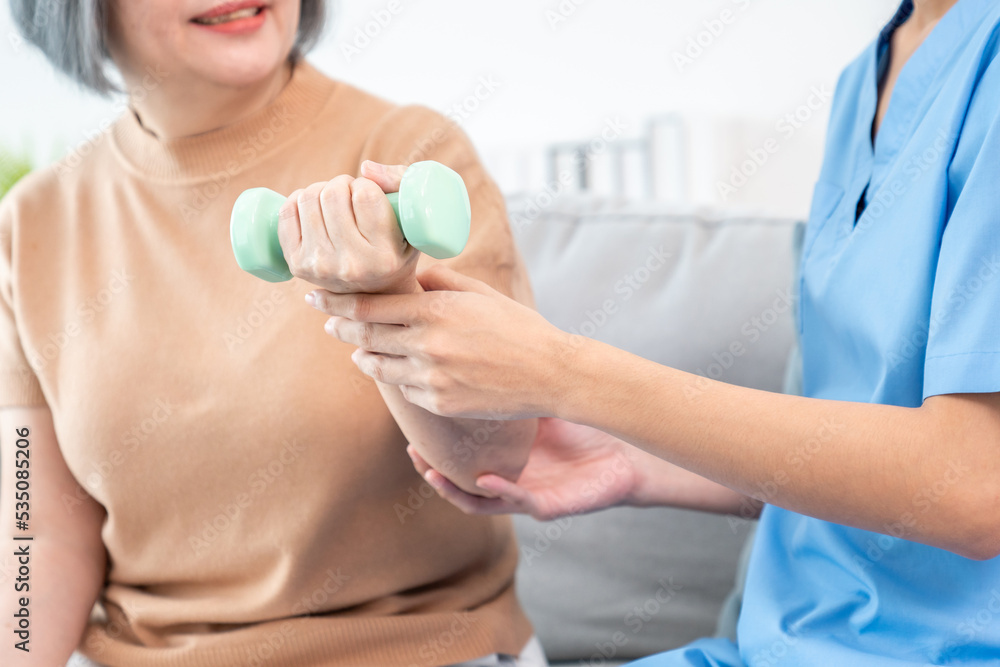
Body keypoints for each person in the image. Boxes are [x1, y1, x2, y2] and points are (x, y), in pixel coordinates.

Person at [311, 0, 1000, 663]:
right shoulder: (868, 79)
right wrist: (637, 460)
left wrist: (567, 372)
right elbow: (858, 447)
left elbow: (974, 485)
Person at [0, 1, 548, 666]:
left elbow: (494, 461)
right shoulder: (30, 226)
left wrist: (384, 293)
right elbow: (39, 533)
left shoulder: (414, 160)